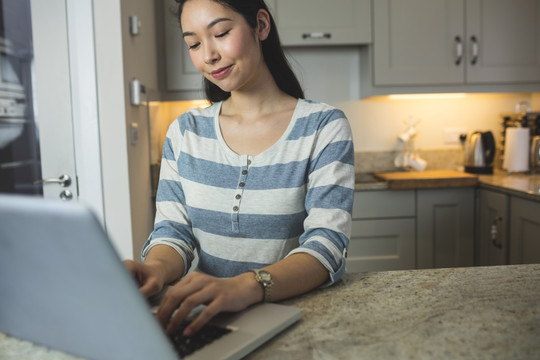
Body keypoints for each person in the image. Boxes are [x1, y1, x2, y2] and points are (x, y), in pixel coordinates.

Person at [124, 0, 355, 337]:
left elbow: (327, 245)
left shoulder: (323, 127)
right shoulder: (186, 131)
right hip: (205, 318)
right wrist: (156, 269)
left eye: (220, 33)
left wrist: (247, 286)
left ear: (261, 26)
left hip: (293, 319)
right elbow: (174, 230)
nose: (208, 55)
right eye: (194, 43)